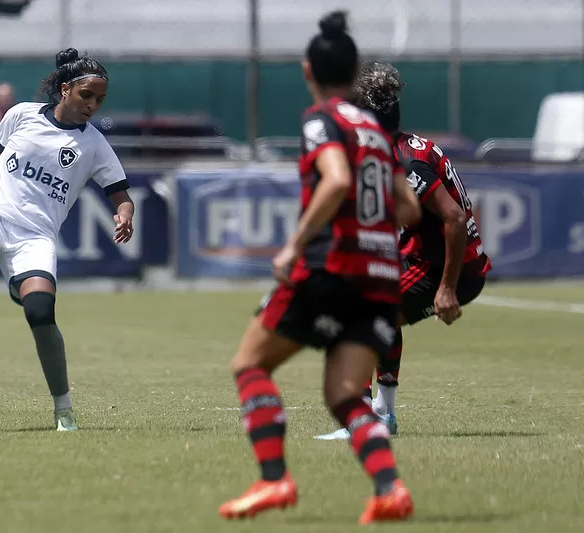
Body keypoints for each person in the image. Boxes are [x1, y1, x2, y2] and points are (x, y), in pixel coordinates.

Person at [218, 12, 421, 524]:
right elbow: (408, 209)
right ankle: (389, 488)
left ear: (308, 70)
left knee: (249, 365)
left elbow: (333, 181)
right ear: (355, 74)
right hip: (380, 277)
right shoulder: (374, 127)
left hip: (332, 267)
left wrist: (295, 243)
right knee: (345, 395)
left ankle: (273, 481)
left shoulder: (321, 119)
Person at [0, 49, 135, 432]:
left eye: (100, 99)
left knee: (40, 312)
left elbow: (120, 193)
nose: (93, 105)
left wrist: (124, 213)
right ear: (65, 89)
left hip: (35, 235)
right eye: (87, 95)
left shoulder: (95, 146)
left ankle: (63, 409)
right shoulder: (21, 113)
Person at [314, 62, 491, 441]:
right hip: (430, 259)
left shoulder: (403, 160)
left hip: (449, 269)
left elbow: (454, 220)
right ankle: (382, 415)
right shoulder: (406, 147)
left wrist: (446, 289)